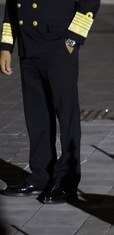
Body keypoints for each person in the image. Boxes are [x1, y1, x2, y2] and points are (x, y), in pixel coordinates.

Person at [0, 0, 100, 203]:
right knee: (37, 117)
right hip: (28, 48)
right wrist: (5, 46)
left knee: (66, 116)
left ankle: (66, 183)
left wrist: (73, 40)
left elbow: (90, 2)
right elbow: (11, 6)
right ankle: (41, 177)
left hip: (59, 48)